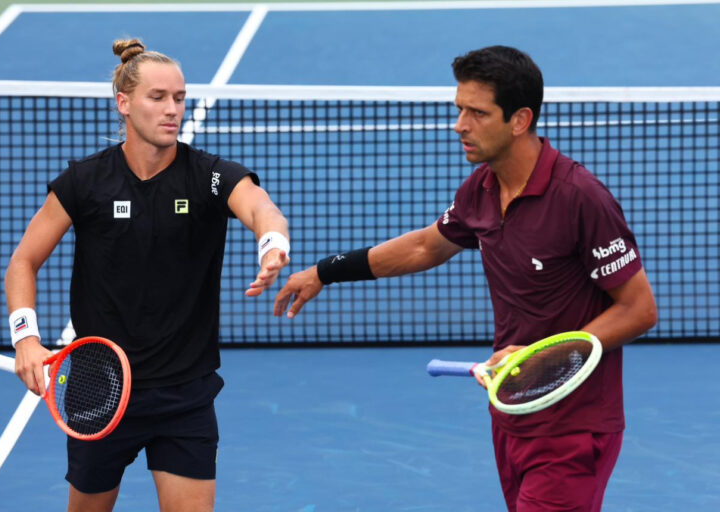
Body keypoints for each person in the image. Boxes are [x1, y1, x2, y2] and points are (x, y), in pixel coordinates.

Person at [273, 45, 657, 512]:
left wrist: (543, 354)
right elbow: (425, 246)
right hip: (512, 411)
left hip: (572, 427)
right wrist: (324, 272)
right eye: (459, 110)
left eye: (477, 113)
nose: (460, 125)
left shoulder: (580, 198)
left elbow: (639, 310)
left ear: (519, 120)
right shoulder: (482, 187)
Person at [6, 39, 289, 512]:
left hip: (184, 392)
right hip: (101, 387)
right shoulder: (85, 181)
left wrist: (272, 243)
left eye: (179, 98)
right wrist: (25, 339)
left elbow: (262, 209)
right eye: (157, 97)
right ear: (124, 103)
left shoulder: (209, 177)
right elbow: (23, 261)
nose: (172, 109)